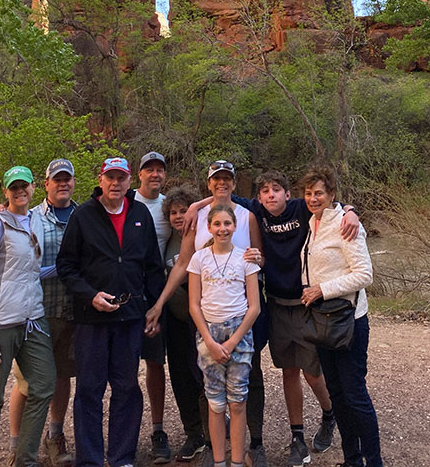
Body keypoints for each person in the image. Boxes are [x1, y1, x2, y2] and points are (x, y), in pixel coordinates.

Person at [183, 169, 360, 466]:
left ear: (288, 194)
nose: (270, 195)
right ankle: (297, 437)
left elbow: (326, 201)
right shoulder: (256, 211)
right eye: (265, 191)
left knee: (312, 372)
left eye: (276, 190)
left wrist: (350, 210)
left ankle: (328, 413)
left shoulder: (301, 207)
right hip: (277, 303)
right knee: (288, 370)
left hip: (306, 301)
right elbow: (222, 195)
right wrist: (194, 206)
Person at [146, 160, 266, 467]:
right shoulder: (197, 216)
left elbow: (258, 257)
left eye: (227, 178)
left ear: (235, 183)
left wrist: (259, 260)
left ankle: (254, 444)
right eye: (216, 179)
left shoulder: (247, 216)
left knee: (248, 380)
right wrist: (159, 304)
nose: (222, 183)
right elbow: (184, 263)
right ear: (209, 183)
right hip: (205, 316)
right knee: (207, 383)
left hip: (241, 313)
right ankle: (214, 449)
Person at [57, 157, 165, 467]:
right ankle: (90, 459)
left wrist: (153, 309)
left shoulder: (140, 213)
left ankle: (122, 457)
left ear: (130, 180)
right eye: (110, 177)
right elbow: (67, 266)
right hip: (92, 317)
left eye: (121, 177)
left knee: (127, 387)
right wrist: (90, 296)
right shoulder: (83, 216)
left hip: (130, 316)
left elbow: (153, 268)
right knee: (90, 388)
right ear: (101, 180)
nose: (116, 183)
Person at [0, 166, 56, 467]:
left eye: (25, 185)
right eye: (14, 187)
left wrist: (67, 267)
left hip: (32, 319)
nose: (20, 191)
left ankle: (26, 459)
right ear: (6, 191)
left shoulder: (35, 219)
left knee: (44, 385)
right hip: (2, 323)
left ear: (34, 187)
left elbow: (30, 272)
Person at [300, 166, 383, 467]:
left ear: (332, 194)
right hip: (324, 322)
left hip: (349, 322)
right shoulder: (313, 223)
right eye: (308, 193)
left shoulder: (346, 225)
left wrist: (321, 289)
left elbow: (364, 274)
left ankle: (373, 461)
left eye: (319, 193)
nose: (313, 198)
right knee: (336, 393)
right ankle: (352, 460)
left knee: (355, 394)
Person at [4, 158, 78, 467]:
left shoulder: (83, 216)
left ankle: (54, 436)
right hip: (35, 314)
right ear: (44, 184)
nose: (63, 183)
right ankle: (17, 446)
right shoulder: (29, 217)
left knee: (62, 376)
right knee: (27, 383)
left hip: (72, 311)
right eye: (56, 179)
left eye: (67, 179)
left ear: (74, 183)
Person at [188, 204, 260, 467]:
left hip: (239, 334)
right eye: (217, 224)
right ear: (209, 227)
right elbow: (194, 304)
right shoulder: (200, 259)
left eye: (227, 224)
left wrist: (232, 341)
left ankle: (237, 461)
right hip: (209, 333)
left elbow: (254, 307)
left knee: (237, 400)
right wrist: (209, 341)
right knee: (215, 402)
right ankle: (219, 460)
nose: (222, 229)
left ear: (235, 226)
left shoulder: (246, 259)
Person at [162, 186, 209, 461]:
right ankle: (193, 434)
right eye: (173, 212)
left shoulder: (203, 234)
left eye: (183, 210)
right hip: (175, 318)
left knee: (203, 376)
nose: (179, 216)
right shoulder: (168, 238)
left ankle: (212, 432)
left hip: (201, 319)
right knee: (180, 377)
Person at [135, 151, 172, 463]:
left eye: (160, 170)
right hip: (125, 294)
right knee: (120, 367)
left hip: (156, 293)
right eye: (150, 170)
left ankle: (158, 429)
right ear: (139, 175)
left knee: (155, 362)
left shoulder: (167, 207)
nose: (155, 175)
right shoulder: (124, 200)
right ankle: (125, 431)